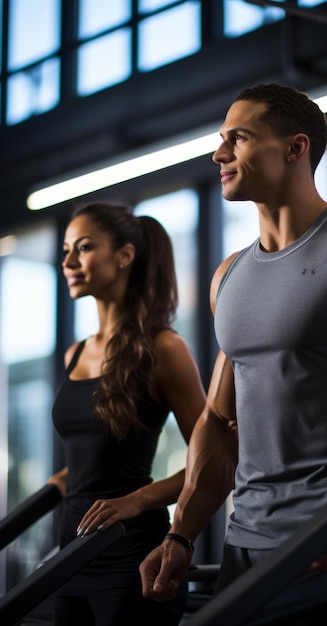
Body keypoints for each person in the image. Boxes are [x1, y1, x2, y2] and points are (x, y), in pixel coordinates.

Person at [139, 83, 327, 624]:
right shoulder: (229, 278)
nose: (219, 154)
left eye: (237, 140)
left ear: (295, 148)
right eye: (221, 141)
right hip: (247, 545)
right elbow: (218, 421)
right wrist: (181, 533)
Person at [47, 201, 206, 626]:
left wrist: (136, 500)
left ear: (124, 255)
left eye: (82, 248)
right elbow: (92, 452)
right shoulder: (74, 354)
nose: (68, 261)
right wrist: (65, 479)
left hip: (129, 555)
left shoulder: (164, 348)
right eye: (66, 250)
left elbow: (213, 457)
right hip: (69, 551)